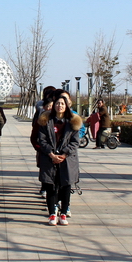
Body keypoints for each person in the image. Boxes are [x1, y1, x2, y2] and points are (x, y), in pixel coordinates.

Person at [36, 94, 81, 226]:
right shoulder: (45, 120)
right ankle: (52, 214)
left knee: (66, 186)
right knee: (50, 186)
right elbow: (41, 140)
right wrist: (51, 154)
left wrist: (64, 155)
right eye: (57, 103)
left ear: (66, 106)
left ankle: (63, 213)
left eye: (62, 103)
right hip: (49, 158)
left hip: (67, 160)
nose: (59, 106)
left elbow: (75, 142)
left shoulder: (73, 121)